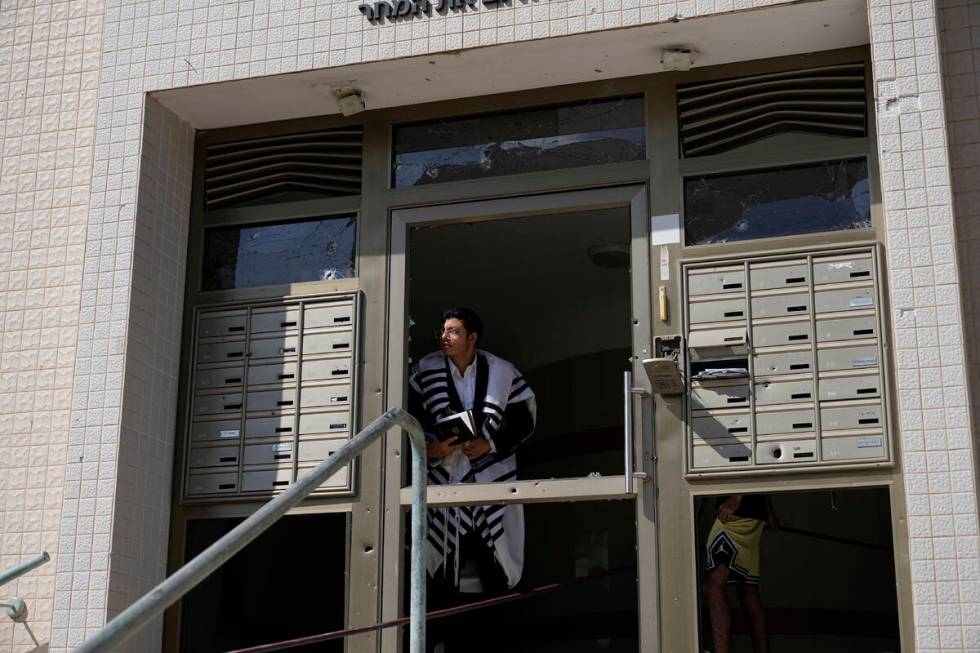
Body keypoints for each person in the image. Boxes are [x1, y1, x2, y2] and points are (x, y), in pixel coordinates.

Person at [408, 307, 536, 652]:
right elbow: (408, 417)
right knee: (438, 571)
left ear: (472, 338)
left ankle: (493, 641)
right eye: (443, 330)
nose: (444, 337)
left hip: (490, 480)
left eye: (453, 331)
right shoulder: (424, 370)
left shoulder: (501, 371)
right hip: (444, 481)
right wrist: (429, 448)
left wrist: (490, 444)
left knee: (492, 566)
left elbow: (524, 421)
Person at [702, 493, 777, 653]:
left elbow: (750, 467)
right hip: (752, 511)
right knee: (747, 590)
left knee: (713, 584)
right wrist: (768, 510)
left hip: (736, 513)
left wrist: (736, 497)